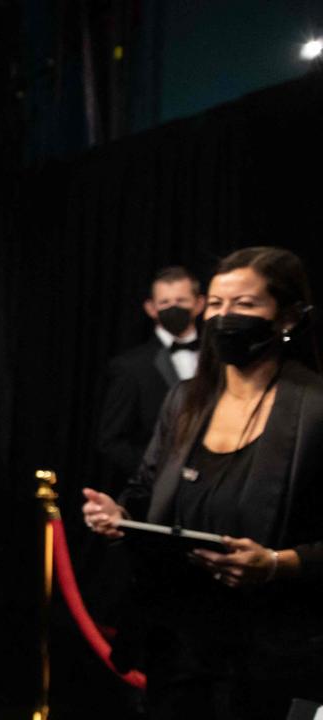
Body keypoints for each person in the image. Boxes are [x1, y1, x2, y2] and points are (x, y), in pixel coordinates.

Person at [82, 247, 323, 718]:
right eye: (215, 304)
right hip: (178, 644)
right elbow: (145, 490)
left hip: (272, 648)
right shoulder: (185, 400)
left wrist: (278, 563)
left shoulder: (314, 409)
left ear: (288, 316)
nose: (224, 317)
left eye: (245, 305)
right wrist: (120, 516)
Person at [96, 266, 205, 494]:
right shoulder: (130, 366)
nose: (173, 308)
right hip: (156, 492)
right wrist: (157, 474)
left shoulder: (220, 360)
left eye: (181, 300)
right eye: (164, 303)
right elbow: (112, 440)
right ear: (151, 308)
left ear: (199, 303)